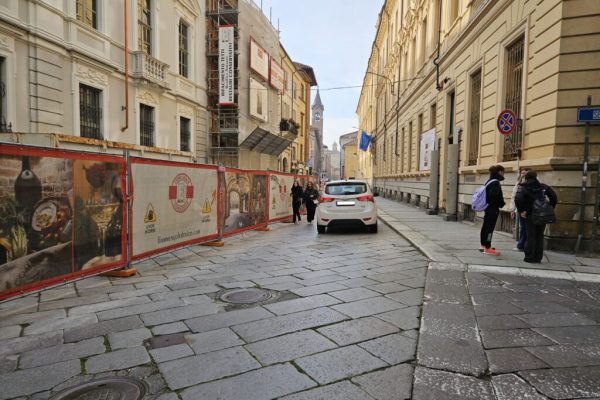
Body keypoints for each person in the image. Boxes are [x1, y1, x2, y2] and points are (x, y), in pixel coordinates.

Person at [515, 170, 558, 263]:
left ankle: (529, 257)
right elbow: (554, 197)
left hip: (529, 214)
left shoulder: (523, 187)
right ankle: (538, 257)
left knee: (530, 235)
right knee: (539, 235)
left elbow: (518, 199)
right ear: (535, 177)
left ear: (526, 178)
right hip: (542, 214)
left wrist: (522, 210)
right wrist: (549, 207)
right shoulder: (543, 187)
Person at [480, 165, 505, 255]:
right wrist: (501, 203)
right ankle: (488, 247)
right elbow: (494, 196)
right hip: (493, 208)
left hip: (488, 207)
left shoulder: (489, 181)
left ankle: (483, 245)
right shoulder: (495, 183)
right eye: (503, 172)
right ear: (499, 172)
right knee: (490, 228)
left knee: (485, 226)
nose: (503, 174)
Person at [509, 167, 530, 252]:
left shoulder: (532, 182)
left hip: (527, 210)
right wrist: (512, 209)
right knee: (523, 227)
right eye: (522, 173)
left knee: (525, 228)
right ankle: (522, 245)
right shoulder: (518, 183)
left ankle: (522, 245)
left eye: (525, 173)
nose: (523, 174)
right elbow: (514, 196)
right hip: (520, 209)